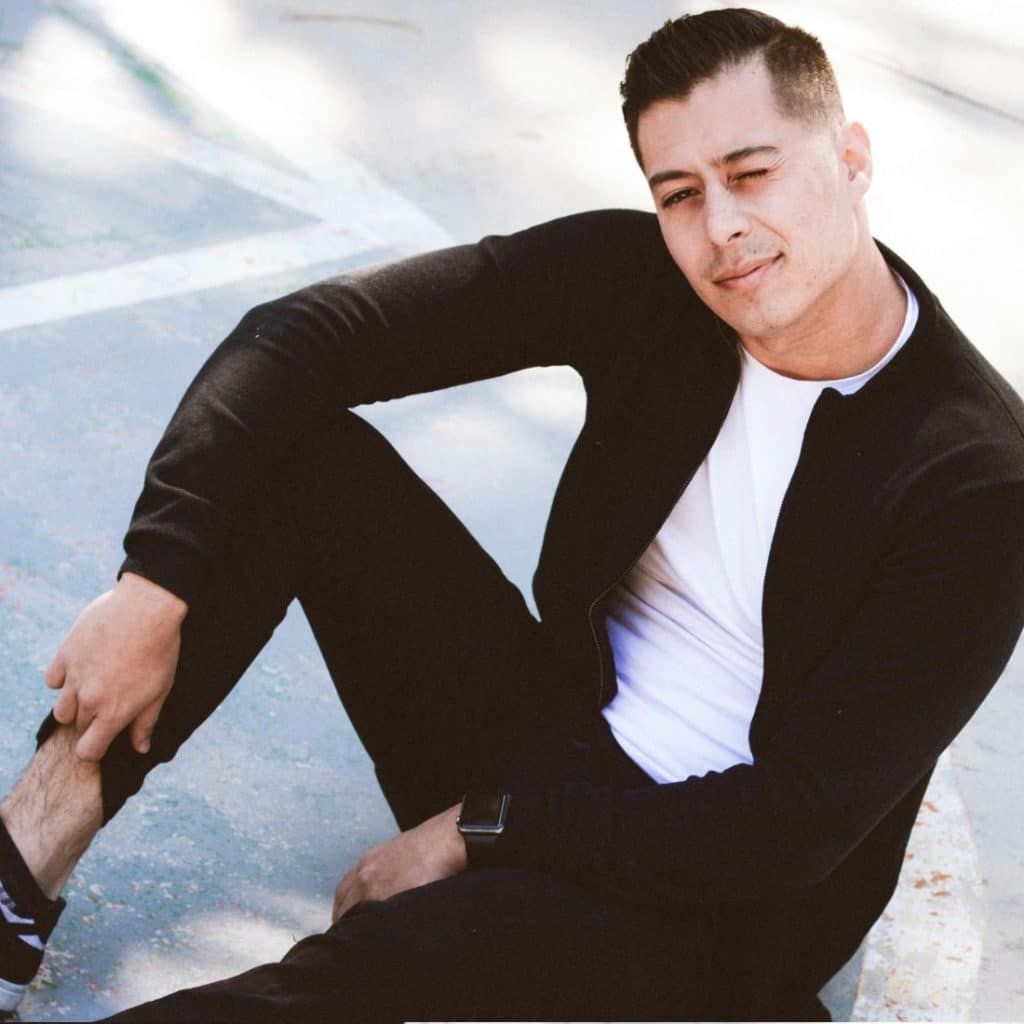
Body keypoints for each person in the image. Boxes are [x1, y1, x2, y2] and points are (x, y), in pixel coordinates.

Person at [2, 7, 1023, 1021]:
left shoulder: (976, 478)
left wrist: (481, 830)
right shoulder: (650, 285)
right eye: (680, 193)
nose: (720, 229)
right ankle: (17, 874)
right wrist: (156, 581)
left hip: (719, 900)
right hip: (550, 750)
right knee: (293, 459)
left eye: (751, 173)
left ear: (849, 158)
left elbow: (788, 827)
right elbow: (307, 335)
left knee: (381, 964)